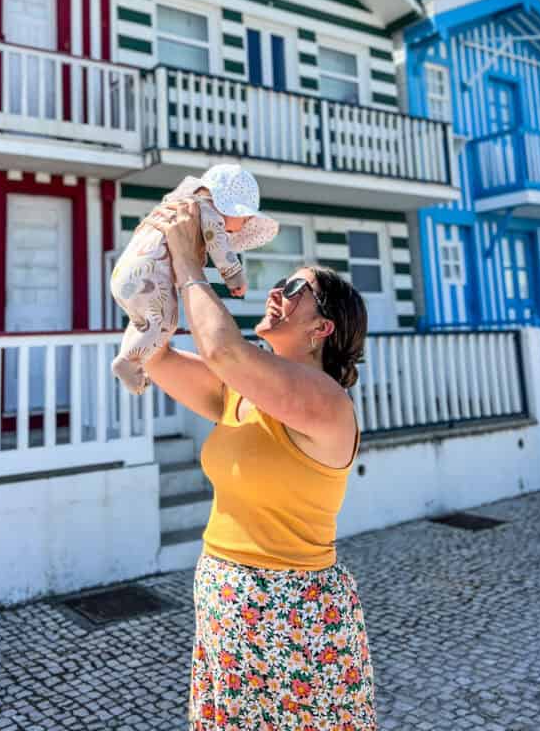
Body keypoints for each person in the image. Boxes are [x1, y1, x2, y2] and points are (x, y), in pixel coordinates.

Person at [143, 197, 377, 731]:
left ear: (323, 329)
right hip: (228, 613)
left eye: (296, 289)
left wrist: (188, 264)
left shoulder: (327, 403)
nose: (277, 291)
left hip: (295, 620)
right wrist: (156, 256)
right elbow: (151, 356)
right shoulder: (240, 391)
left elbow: (224, 351)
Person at [110, 164, 278, 394]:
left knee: (144, 322)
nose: (245, 224)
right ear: (228, 207)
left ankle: (130, 357)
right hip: (147, 274)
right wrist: (234, 275)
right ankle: (127, 362)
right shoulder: (207, 210)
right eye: (245, 218)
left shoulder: (176, 207)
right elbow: (218, 245)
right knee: (166, 322)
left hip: (124, 274)